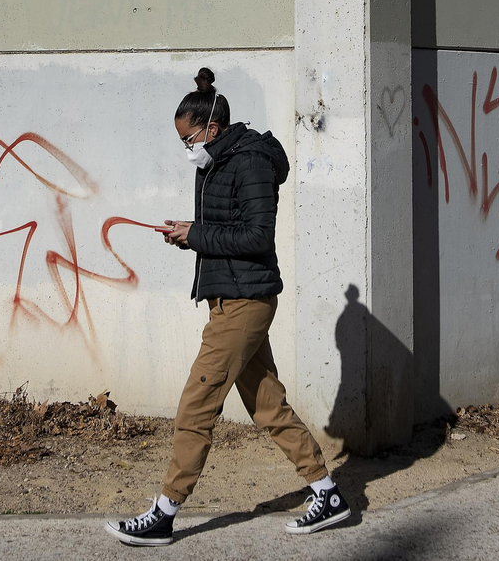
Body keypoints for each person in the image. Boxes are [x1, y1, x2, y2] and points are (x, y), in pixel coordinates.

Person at [105, 68, 352, 546]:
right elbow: (227, 230)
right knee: (266, 403)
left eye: (188, 138)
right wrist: (189, 233)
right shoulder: (219, 162)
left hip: (245, 302)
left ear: (211, 129)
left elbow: (257, 236)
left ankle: (164, 512)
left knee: (196, 404)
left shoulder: (250, 162)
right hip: (231, 297)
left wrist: (196, 234)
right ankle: (327, 492)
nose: (186, 147)